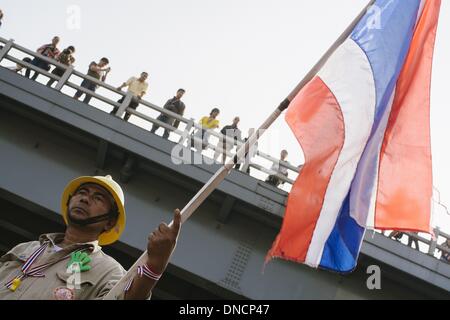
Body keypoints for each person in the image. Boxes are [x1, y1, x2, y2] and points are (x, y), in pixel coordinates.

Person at [0, 175, 181, 300]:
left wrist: (156, 265)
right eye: (82, 192)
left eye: (98, 198)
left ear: (109, 223)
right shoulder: (25, 249)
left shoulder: (109, 271)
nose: (85, 199)